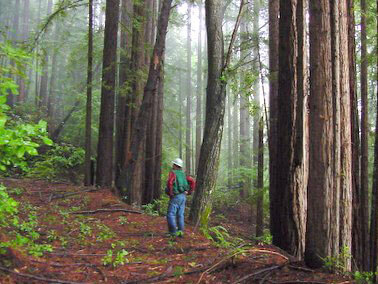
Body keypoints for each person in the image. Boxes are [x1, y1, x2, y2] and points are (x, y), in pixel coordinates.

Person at [166, 158, 195, 237]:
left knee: (171, 214)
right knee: (180, 215)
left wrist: (171, 193)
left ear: (176, 165)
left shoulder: (173, 173)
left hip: (176, 196)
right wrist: (189, 192)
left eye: (173, 164)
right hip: (183, 196)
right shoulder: (183, 174)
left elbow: (170, 182)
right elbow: (192, 181)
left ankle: (172, 233)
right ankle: (180, 232)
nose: (172, 166)